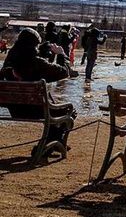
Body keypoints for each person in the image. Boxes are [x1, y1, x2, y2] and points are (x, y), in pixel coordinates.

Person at [0, 28, 76, 156]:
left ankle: (54, 143)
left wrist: (45, 55)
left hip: (16, 109)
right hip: (37, 109)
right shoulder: (37, 63)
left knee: (56, 115)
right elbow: (63, 72)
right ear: (34, 45)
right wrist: (62, 54)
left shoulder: (9, 62)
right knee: (69, 111)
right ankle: (49, 145)